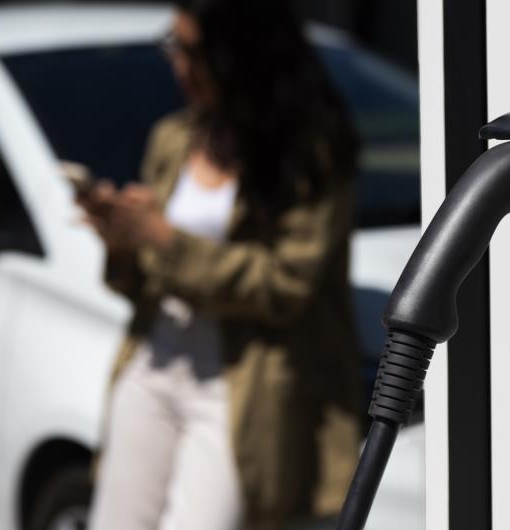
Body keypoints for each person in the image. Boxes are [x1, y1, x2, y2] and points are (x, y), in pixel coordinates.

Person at [79, 0, 362, 528]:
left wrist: (162, 240)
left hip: (242, 388)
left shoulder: (309, 153)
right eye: (174, 46)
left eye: (192, 52)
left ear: (240, 56)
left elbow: (285, 286)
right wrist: (120, 238)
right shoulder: (175, 137)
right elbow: (143, 284)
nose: (178, 64)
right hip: (153, 365)